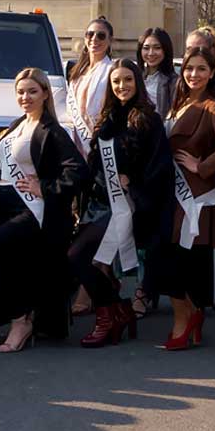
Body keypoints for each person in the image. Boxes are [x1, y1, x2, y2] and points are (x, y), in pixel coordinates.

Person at [0, 68, 85, 352]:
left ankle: (20, 321)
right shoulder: (17, 126)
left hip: (31, 211)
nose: (26, 97)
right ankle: (23, 317)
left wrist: (46, 188)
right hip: (3, 208)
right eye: (21, 92)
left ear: (45, 94)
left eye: (32, 91)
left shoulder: (52, 131)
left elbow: (78, 170)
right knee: (10, 268)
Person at [70, 58, 169, 347]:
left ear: (137, 82)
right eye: (116, 81)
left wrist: (134, 184)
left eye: (127, 80)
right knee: (85, 259)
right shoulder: (107, 118)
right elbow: (95, 164)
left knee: (79, 256)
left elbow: (160, 167)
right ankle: (117, 311)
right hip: (100, 203)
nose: (121, 86)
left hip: (129, 205)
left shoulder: (149, 120)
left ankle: (108, 316)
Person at [152, 45, 215, 349]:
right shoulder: (178, 102)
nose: (194, 74)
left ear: (212, 73)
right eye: (189, 68)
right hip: (174, 193)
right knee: (174, 260)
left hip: (195, 196)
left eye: (202, 69)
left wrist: (201, 166)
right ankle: (192, 315)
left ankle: (185, 318)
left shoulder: (212, 107)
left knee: (176, 262)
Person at [66, 17, 115, 134]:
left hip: (100, 134)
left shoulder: (112, 70)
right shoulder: (77, 70)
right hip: (74, 134)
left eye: (101, 36)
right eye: (90, 34)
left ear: (110, 40)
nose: (94, 39)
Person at [138, 27, 178, 118]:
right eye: (146, 48)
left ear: (165, 50)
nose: (151, 53)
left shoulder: (174, 82)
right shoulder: (135, 77)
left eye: (157, 48)